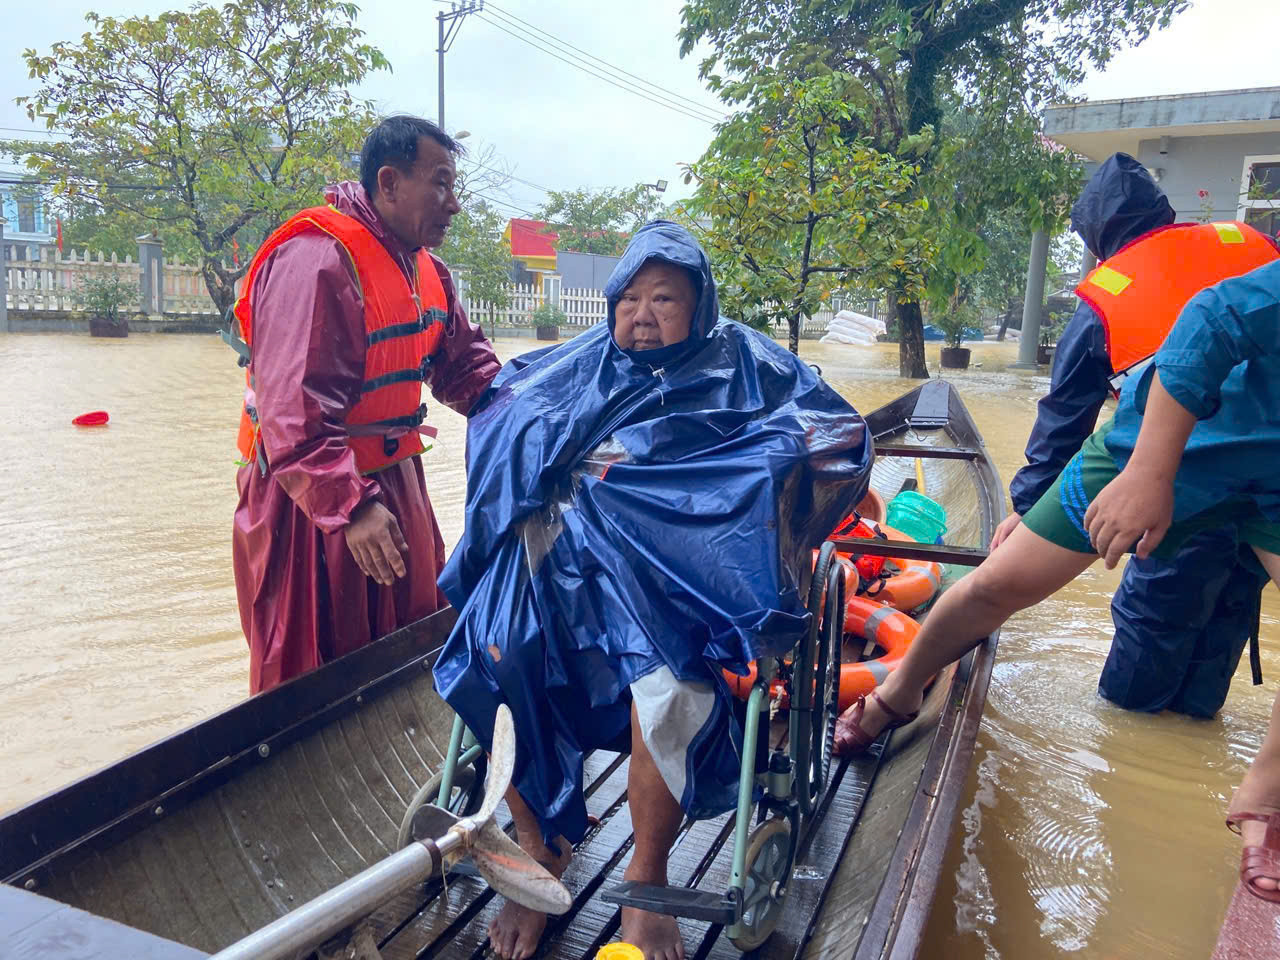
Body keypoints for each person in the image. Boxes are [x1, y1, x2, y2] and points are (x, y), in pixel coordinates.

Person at [433, 221, 872, 959]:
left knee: (666, 693)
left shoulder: (746, 361)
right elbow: (500, 412)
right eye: (628, 297)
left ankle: (646, 874)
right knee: (489, 656)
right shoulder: (577, 365)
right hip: (561, 570)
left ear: (699, 305)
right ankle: (542, 850)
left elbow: (836, 430)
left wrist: (750, 471)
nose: (641, 313)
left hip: (673, 583)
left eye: (663, 298)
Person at [836, 258, 1280, 901]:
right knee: (997, 587)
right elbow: (1207, 321)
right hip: (1175, 448)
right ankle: (898, 693)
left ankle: (1265, 797)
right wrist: (1148, 474)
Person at [998, 153, 1278, 717]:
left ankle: (1128, 759)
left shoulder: (1110, 292)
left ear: (1098, 236)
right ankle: (1190, 753)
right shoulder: (1248, 245)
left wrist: (1028, 511)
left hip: (1181, 489)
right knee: (1221, 628)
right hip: (1267, 492)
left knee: (1148, 644)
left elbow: (1066, 416)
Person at [230, 116, 500, 693]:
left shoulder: (428, 270)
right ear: (390, 182)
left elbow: (467, 368)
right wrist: (350, 508)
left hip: (396, 477)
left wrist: (537, 419)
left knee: (412, 632)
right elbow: (290, 412)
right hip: (312, 499)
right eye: (441, 184)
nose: (453, 205)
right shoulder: (317, 259)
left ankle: (400, 761)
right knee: (313, 659)